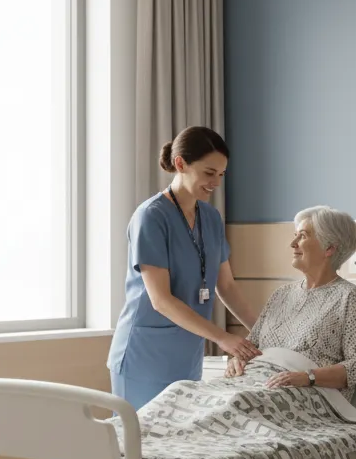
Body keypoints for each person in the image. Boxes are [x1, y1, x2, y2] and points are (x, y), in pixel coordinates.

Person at [107, 126, 260, 411]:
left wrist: (264, 331)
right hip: (145, 356)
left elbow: (226, 286)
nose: (216, 182)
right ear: (180, 164)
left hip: (187, 356)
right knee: (142, 446)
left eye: (221, 175)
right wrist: (223, 338)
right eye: (208, 173)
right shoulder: (151, 217)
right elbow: (160, 300)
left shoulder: (211, 218)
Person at [226, 206, 356, 401]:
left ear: (329, 248)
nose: (292, 243)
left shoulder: (349, 297)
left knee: (239, 402)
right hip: (254, 382)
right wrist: (237, 360)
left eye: (302, 236)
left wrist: (306, 377)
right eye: (295, 235)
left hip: (304, 394)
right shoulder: (281, 295)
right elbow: (250, 346)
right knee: (179, 391)